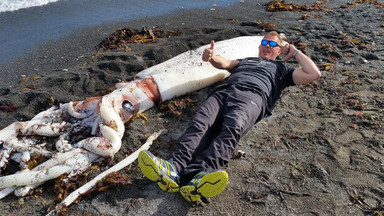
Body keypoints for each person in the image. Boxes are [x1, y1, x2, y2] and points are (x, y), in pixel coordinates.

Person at [138, 31, 321, 202]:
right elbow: (224, 63)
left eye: (272, 43)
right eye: (264, 42)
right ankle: (174, 168)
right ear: (259, 46)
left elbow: (314, 73)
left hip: (253, 97)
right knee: (200, 123)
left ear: (279, 50)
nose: (266, 45)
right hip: (224, 92)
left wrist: (295, 52)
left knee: (232, 128)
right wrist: (210, 57)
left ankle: (202, 174)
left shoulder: (282, 70)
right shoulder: (246, 61)